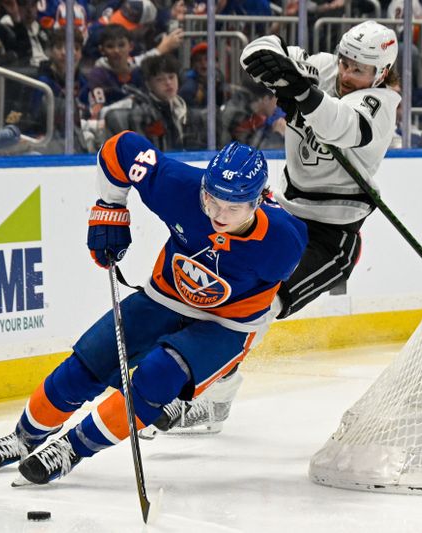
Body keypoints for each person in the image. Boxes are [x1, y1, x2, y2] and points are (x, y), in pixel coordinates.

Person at [0, 134, 308, 485]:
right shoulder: (180, 187)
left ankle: (72, 449)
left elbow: (267, 305)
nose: (218, 214)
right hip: (164, 296)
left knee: (158, 376)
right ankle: (25, 438)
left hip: (226, 323)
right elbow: (120, 147)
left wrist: (222, 362)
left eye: (233, 208)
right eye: (212, 200)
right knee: (89, 362)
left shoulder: (285, 240)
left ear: (259, 201)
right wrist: (110, 207)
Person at [145, 20, 403, 434]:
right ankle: (212, 394)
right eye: (346, 63)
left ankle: (206, 397)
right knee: (224, 297)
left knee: (259, 308)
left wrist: (300, 91)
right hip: (280, 217)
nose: (348, 74)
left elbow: (338, 124)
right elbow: (258, 50)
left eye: (360, 69)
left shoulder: (380, 105)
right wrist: (278, 66)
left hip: (328, 237)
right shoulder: (323, 69)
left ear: (382, 73)